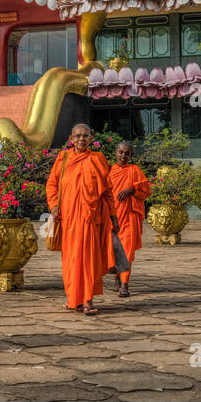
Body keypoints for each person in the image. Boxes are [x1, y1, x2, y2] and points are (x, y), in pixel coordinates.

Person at [46, 123, 119, 315]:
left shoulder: (98, 159)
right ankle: (73, 300)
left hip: (91, 218)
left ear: (91, 138)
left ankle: (87, 300)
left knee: (88, 260)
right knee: (70, 260)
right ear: (71, 139)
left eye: (85, 136)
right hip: (68, 219)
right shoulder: (63, 159)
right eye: (77, 136)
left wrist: (113, 216)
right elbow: (52, 185)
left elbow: (108, 191)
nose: (81, 139)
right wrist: (53, 206)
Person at [107, 141, 151, 297]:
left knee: (127, 252)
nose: (123, 156)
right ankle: (117, 277)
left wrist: (132, 190)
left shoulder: (135, 170)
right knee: (113, 250)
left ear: (131, 155)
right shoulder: (109, 171)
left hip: (129, 217)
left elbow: (146, 191)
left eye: (127, 153)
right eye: (120, 152)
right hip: (112, 218)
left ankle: (125, 284)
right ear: (115, 153)